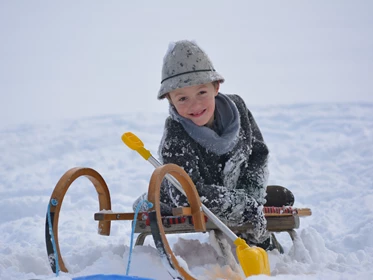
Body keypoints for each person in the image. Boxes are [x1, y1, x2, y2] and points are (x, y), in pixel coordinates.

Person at [133, 40, 293, 251]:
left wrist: (251, 197)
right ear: (170, 100)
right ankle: (147, 201)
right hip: (180, 199)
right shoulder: (175, 139)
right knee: (241, 206)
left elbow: (258, 154)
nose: (195, 105)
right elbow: (188, 195)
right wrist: (242, 204)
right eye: (182, 98)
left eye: (201, 93)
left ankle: (251, 230)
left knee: (284, 197)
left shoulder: (238, 109)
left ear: (216, 87)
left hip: (233, 191)